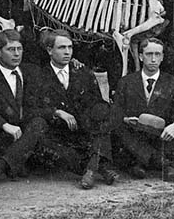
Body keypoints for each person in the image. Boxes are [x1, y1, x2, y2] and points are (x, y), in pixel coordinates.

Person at [29, 29, 117, 189]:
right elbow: (31, 110)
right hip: (58, 134)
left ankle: (91, 170)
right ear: (49, 50)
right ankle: (101, 167)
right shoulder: (39, 76)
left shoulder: (83, 72)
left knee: (104, 111)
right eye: (62, 48)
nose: (67, 52)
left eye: (70, 47)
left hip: (84, 130)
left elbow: (97, 102)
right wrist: (56, 112)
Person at [110, 38, 174, 179]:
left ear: (162, 57)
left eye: (157, 54)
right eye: (149, 54)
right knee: (119, 129)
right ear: (140, 57)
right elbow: (116, 110)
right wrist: (125, 119)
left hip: (162, 136)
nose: (153, 59)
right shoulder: (126, 82)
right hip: (136, 135)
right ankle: (163, 163)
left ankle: (143, 162)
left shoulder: (173, 83)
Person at [0, 29, 49, 186]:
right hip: (7, 139)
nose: (17, 54)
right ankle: (9, 165)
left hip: (33, 137)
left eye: (19, 49)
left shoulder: (33, 72)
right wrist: (4, 125)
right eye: (11, 50)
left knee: (39, 123)